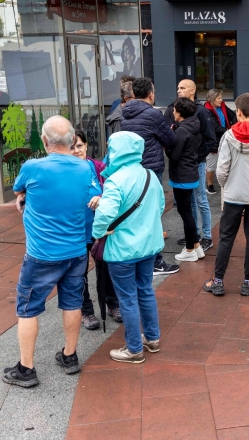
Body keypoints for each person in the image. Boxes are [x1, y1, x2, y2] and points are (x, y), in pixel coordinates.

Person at [3, 116, 94, 387]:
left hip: (42, 254)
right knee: (73, 303)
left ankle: (26, 369)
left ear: (44, 140)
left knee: (27, 309)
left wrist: (23, 198)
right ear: (70, 142)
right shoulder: (84, 168)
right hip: (77, 250)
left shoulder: (33, 167)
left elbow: (19, 189)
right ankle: (70, 356)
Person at [93, 131, 165, 364]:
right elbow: (161, 205)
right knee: (145, 290)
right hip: (148, 246)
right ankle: (152, 338)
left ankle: (134, 349)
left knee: (127, 298)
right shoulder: (150, 175)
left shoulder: (115, 179)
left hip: (122, 251)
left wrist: (99, 232)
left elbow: (105, 213)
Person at [203, 93, 249, 297]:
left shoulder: (228, 136)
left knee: (226, 238)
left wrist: (226, 186)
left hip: (233, 195)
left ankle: (217, 281)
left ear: (239, 111)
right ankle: (248, 281)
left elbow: (221, 168)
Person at [121, 77, 179, 276]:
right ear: (151, 94)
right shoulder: (153, 114)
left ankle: (140, 258)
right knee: (153, 215)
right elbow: (170, 140)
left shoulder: (124, 113)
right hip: (151, 169)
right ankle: (156, 262)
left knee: (136, 213)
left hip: (131, 169)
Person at [71, 130, 122, 329]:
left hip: (100, 230)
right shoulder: (65, 172)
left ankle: (112, 303)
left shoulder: (98, 167)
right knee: (79, 272)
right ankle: (86, 310)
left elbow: (114, 191)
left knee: (106, 268)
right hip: (76, 232)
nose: (76, 150)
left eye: (79, 145)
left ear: (86, 146)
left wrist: (102, 198)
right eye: (72, 147)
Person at [168, 80, 216, 252]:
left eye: (182, 88)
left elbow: (210, 139)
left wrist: (197, 156)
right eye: (178, 87)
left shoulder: (201, 111)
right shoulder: (175, 109)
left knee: (200, 199)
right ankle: (193, 235)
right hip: (186, 164)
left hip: (197, 163)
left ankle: (207, 236)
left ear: (192, 90)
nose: (179, 90)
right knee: (190, 203)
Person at [167, 97, 205, 262]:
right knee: (188, 211)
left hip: (182, 175)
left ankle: (189, 249)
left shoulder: (182, 131)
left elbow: (175, 156)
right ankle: (197, 246)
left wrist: (166, 146)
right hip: (190, 173)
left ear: (180, 112)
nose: (173, 112)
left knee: (186, 213)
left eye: (175, 110)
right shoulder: (193, 126)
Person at [204, 89, 237, 195]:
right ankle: (209, 185)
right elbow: (215, 128)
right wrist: (230, 132)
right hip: (213, 140)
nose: (221, 100)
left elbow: (233, 115)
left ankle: (226, 182)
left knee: (227, 161)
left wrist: (235, 125)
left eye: (221, 98)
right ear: (212, 99)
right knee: (211, 164)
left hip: (225, 137)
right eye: (219, 98)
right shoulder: (206, 111)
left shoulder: (222, 106)